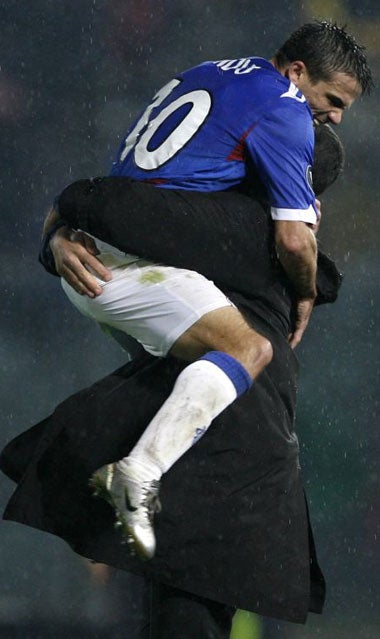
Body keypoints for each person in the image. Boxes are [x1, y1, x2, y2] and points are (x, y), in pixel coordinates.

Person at [2, 124, 345, 639]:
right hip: (239, 484)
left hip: (213, 479)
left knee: (178, 625)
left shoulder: (227, 228)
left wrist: (58, 233)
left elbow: (99, 201)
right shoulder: (287, 254)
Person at [41, 21, 372, 560]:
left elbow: (109, 189)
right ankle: (136, 475)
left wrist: (54, 236)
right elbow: (292, 240)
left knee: (182, 380)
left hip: (102, 246)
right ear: (296, 72)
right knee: (249, 349)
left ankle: (119, 484)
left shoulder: (211, 73)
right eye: (333, 100)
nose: (334, 117)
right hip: (125, 269)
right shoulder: (285, 109)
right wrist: (308, 291)